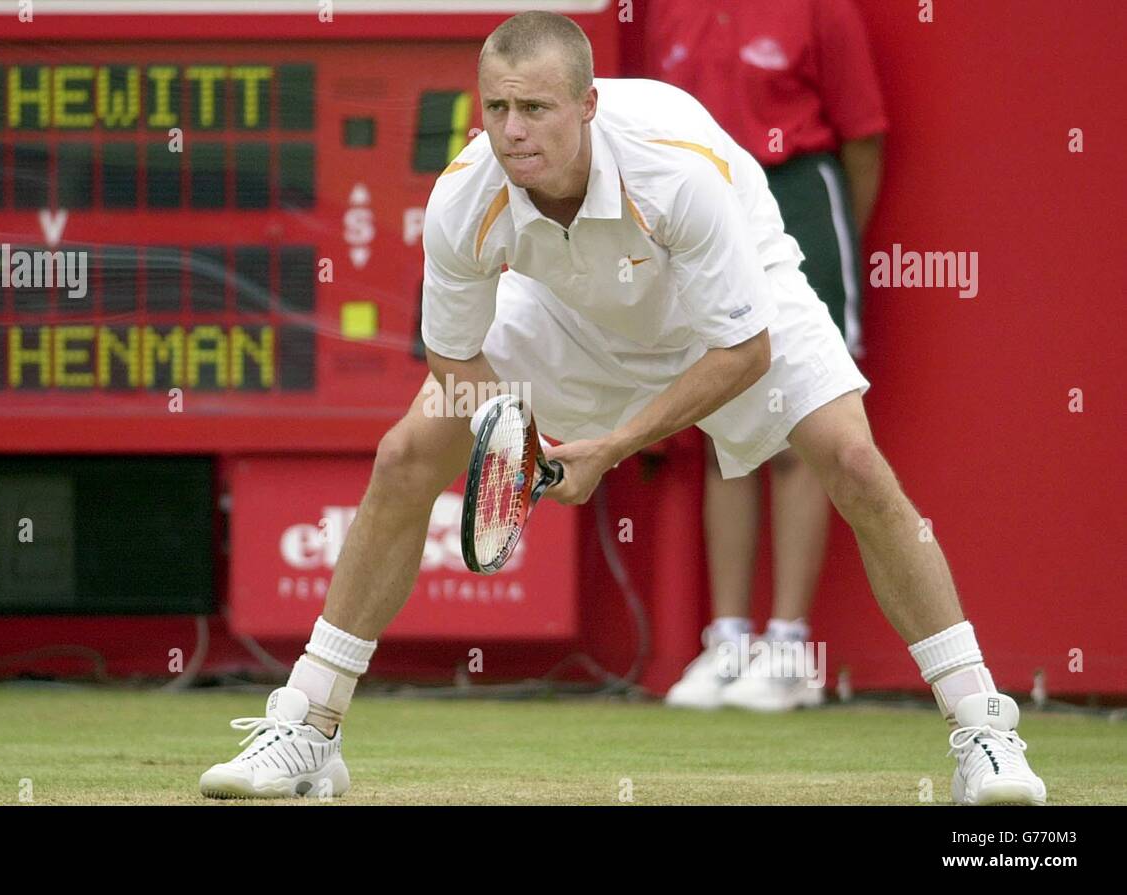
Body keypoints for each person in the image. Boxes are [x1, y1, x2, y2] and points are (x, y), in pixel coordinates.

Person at [198, 11, 1046, 806]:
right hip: (564, 311)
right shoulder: (463, 197)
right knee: (404, 455)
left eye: (534, 107)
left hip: (731, 302)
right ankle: (310, 726)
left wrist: (608, 446)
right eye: (496, 106)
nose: (512, 128)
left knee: (855, 464)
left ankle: (983, 732)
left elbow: (743, 352)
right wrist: (514, 442)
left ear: (587, 105)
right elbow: (456, 357)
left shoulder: (674, 170)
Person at [646, 0, 888, 712]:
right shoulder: (668, 11)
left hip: (799, 198)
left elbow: (865, 140)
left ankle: (788, 647)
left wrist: (828, 243)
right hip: (703, 213)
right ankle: (727, 641)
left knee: (802, 425)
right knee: (726, 431)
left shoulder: (821, 8)